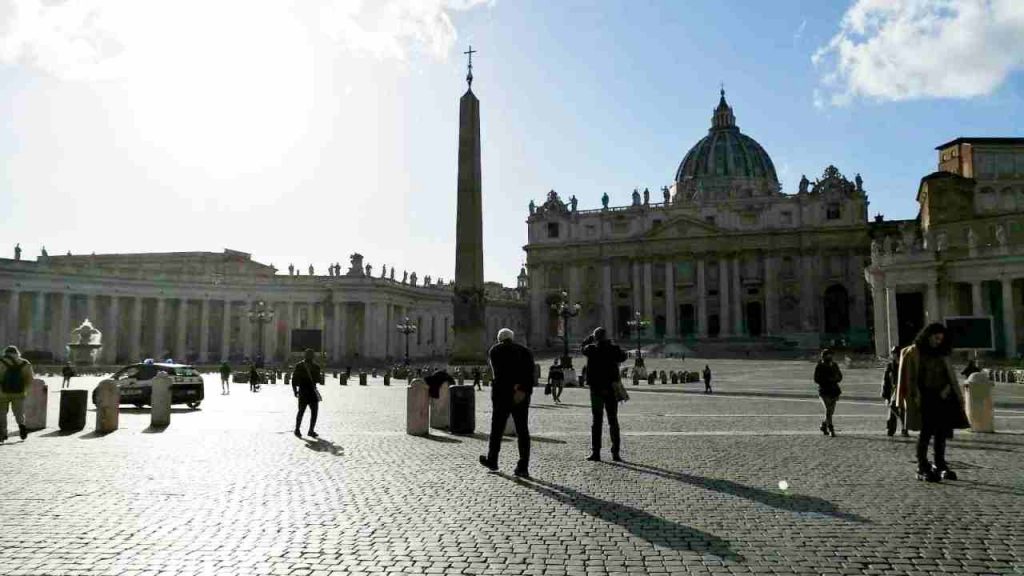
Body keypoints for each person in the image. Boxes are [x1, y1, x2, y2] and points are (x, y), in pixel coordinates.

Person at [897, 323, 969, 483]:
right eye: (936, 338)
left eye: (941, 339)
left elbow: (949, 376)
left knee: (942, 433)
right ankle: (922, 465)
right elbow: (909, 378)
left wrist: (948, 390)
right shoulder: (913, 352)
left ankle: (940, 463)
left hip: (943, 397)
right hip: (924, 398)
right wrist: (912, 397)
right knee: (926, 433)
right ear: (928, 336)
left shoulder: (943, 354)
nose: (938, 341)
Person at [481, 328, 535, 478]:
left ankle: (493, 460)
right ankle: (523, 466)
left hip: (502, 395)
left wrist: (511, 387)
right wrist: (521, 389)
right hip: (521, 395)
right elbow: (530, 374)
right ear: (512, 338)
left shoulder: (495, 350)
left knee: (497, 429)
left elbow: (499, 373)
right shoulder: (525, 351)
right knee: (522, 430)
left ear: (499, 339)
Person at [582, 327, 628, 462]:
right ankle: (616, 452)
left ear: (595, 337)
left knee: (596, 421)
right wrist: (611, 343)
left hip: (596, 390)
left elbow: (582, 347)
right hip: (611, 390)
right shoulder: (614, 349)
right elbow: (624, 356)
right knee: (613, 420)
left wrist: (589, 338)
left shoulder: (591, 349)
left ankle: (596, 452)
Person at [0, 345, 34, 444]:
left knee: (2, 413)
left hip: (2, 393)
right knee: (19, 412)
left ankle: (3, 434)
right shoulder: (25, 363)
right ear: (17, 353)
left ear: (5, 352)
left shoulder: (1, 361)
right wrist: (25, 389)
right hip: (19, 392)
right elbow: (30, 379)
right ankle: (22, 426)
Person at [291, 349, 323, 439]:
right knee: (311, 412)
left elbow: (294, 380)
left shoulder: (300, 365)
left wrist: (295, 391)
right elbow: (319, 380)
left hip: (304, 391)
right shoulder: (315, 366)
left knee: (303, 411)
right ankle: (308, 430)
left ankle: (299, 429)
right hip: (310, 391)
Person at [814, 349, 843, 437]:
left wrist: (836, 379)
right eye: (828, 355)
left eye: (831, 355)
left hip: (834, 391)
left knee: (831, 411)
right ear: (823, 356)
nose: (830, 357)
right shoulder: (819, 366)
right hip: (824, 391)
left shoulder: (834, 365)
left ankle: (824, 425)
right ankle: (831, 428)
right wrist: (827, 380)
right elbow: (816, 379)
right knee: (828, 410)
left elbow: (840, 376)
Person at [882, 345, 908, 436]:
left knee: (902, 411)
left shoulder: (905, 365)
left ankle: (904, 428)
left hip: (903, 391)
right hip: (893, 391)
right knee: (892, 410)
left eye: (894, 353)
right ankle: (891, 429)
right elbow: (885, 381)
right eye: (892, 353)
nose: (893, 355)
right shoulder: (890, 366)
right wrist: (885, 395)